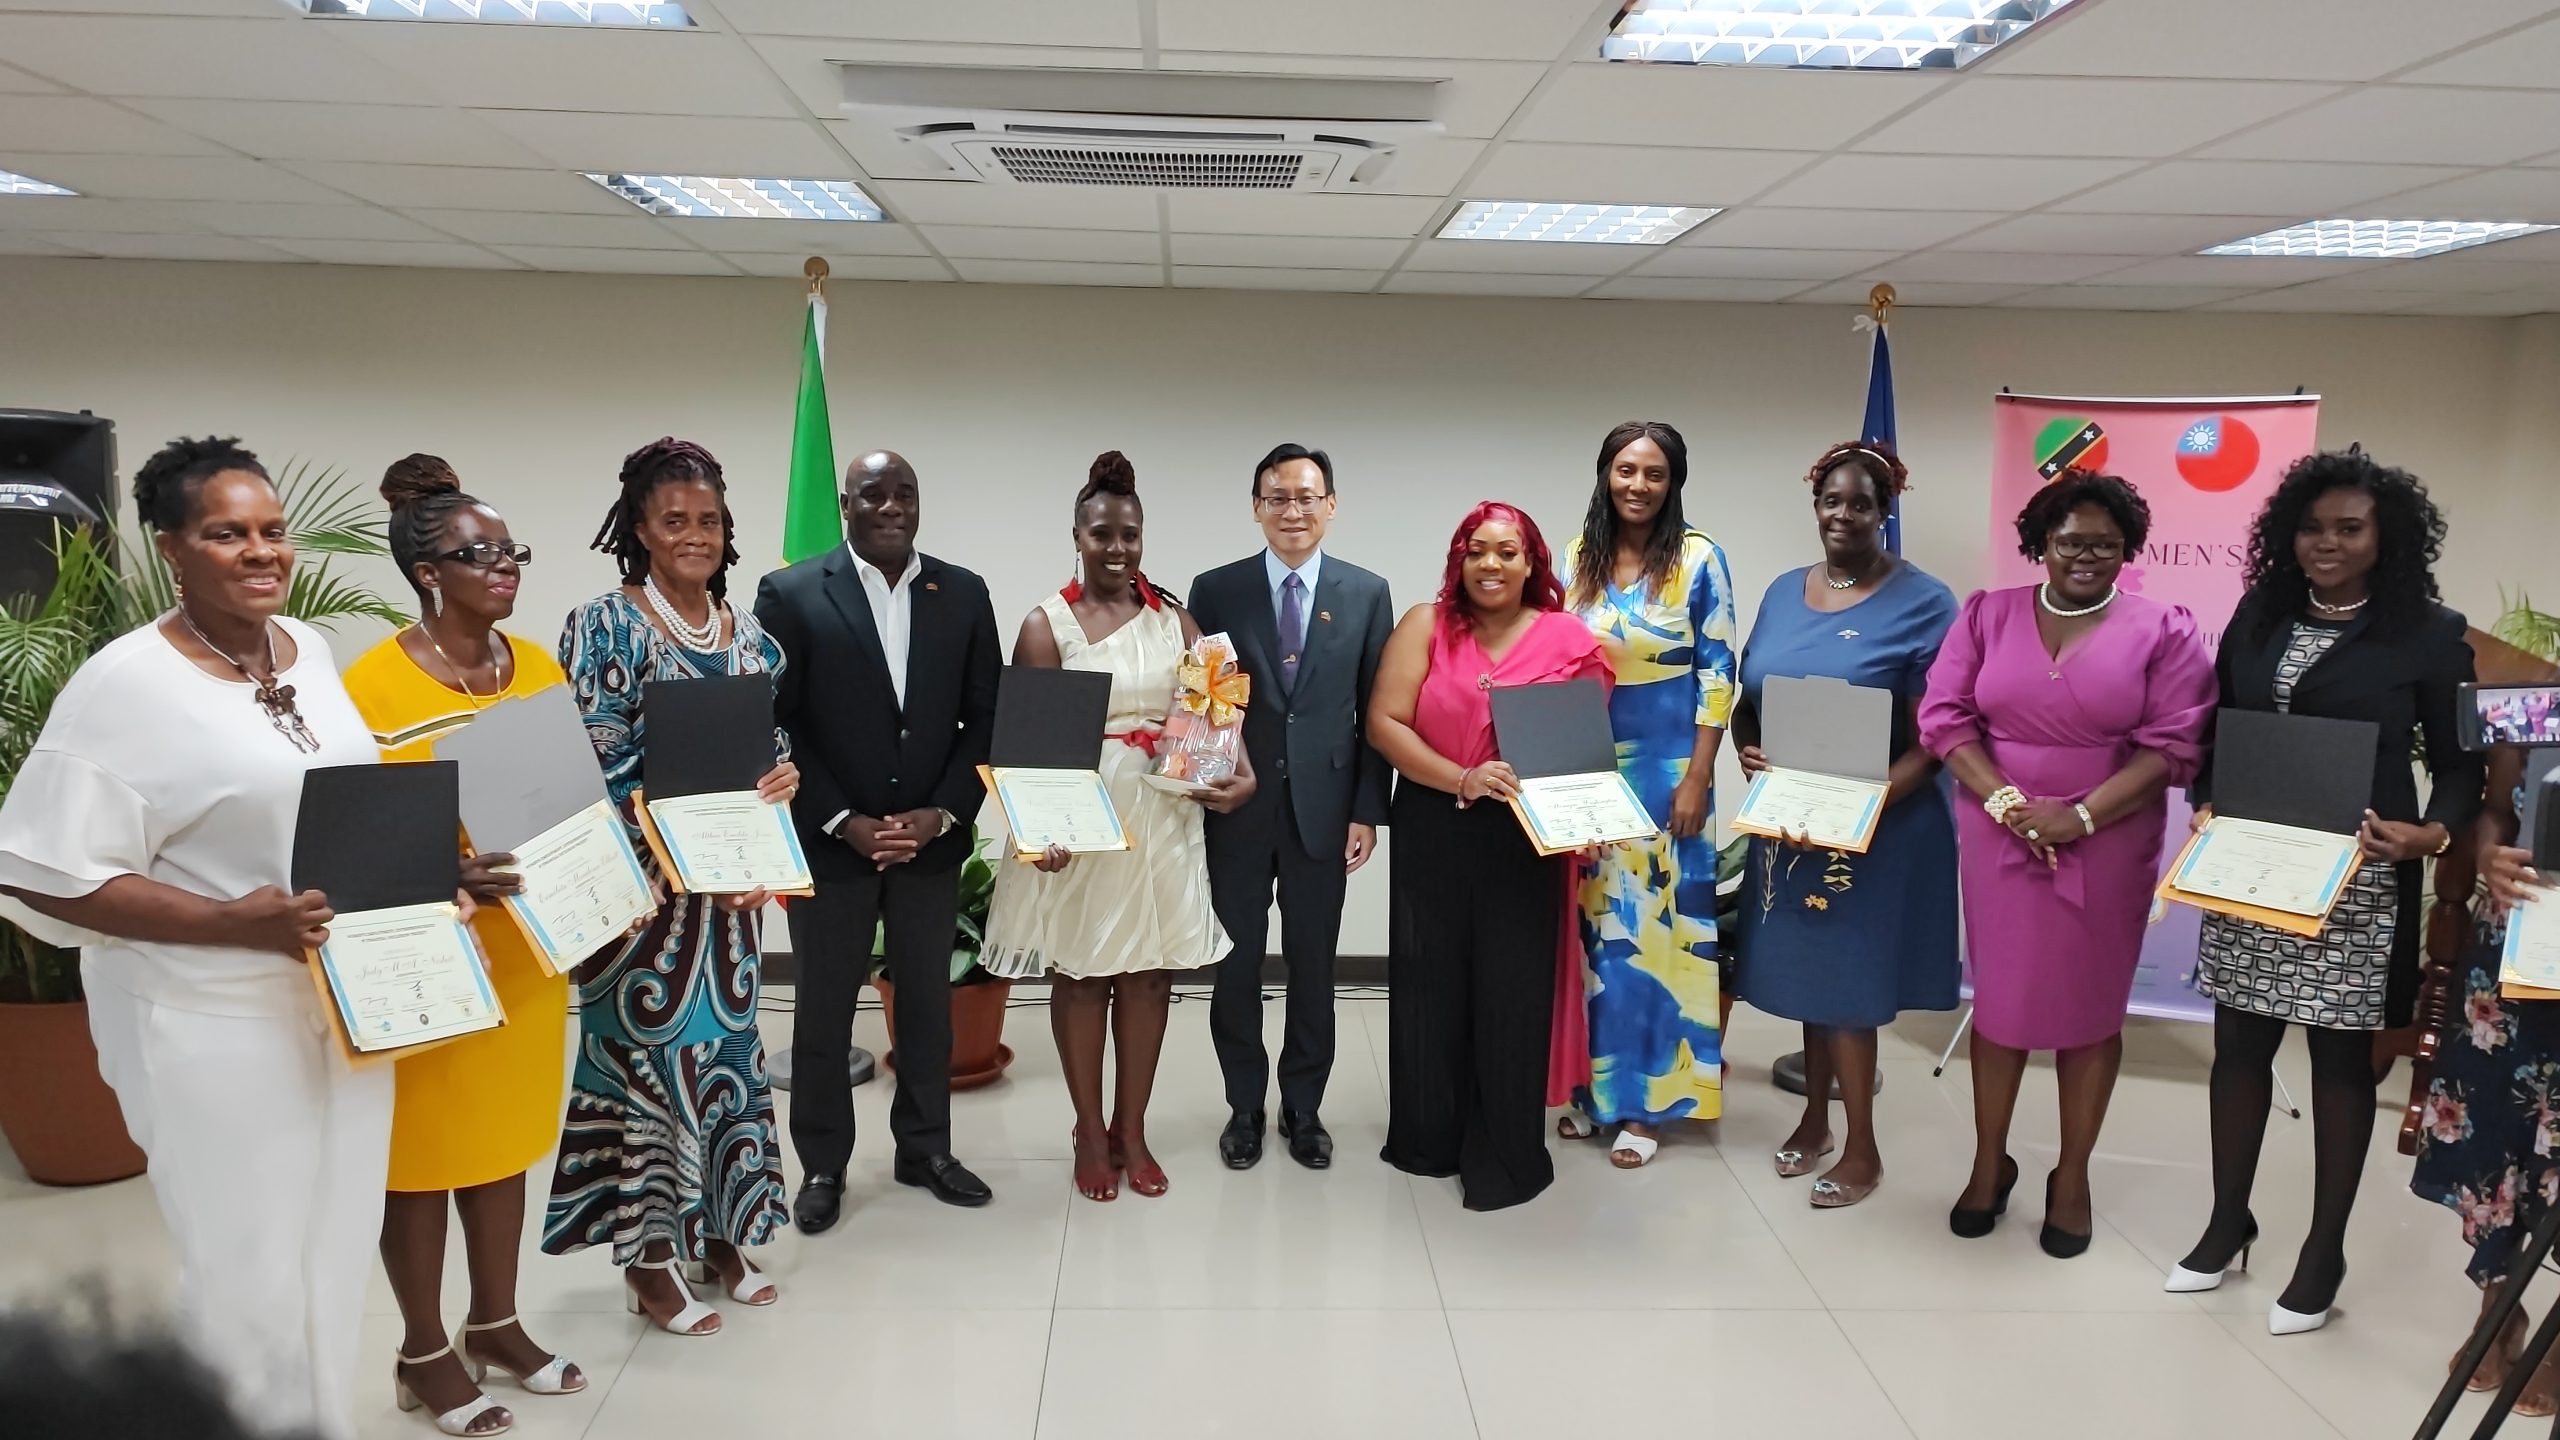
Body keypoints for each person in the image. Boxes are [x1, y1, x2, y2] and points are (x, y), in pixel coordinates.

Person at [0, 437, 390, 1438]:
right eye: (227, 534)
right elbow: (43, 868)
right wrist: (231, 923)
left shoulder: (309, 647)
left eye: (271, 531)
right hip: (207, 1019)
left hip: (344, 1003)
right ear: (171, 548)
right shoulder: (122, 685)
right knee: (245, 1264)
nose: (261, 552)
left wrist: (434, 873)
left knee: (338, 1243)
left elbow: (332, 809)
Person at [2173, 451, 2481, 1335]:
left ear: (2385, 538)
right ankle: (2230, 1221)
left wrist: (2432, 834)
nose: (2327, 543)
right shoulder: (2258, 612)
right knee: (2239, 1046)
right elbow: (2219, 725)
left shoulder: (2428, 631)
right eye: (2312, 528)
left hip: (2359, 879)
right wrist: (2202, 799)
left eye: (2350, 528)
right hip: (2254, 860)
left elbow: (2460, 766)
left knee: (2339, 1064)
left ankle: (2323, 1251)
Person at [343, 456, 584, 1436]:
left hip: (527, 960)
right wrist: (447, 880)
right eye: (477, 553)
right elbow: (354, 847)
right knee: (421, 1161)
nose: (504, 566)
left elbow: (569, 808)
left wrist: (609, 887)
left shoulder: (537, 667)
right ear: (427, 569)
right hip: (431, 961)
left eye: (510, 550)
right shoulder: (370, 688)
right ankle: (422, 1350)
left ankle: (498, 1324)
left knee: (503, 1148)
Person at [1918, 470, 2214, 1256]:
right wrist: (2010, 804)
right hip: (1997, 832)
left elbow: (2175, 746)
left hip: (2109, 837)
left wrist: (2078, 814)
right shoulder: (1987, 615)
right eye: (2072, 541)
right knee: (2002, 1005)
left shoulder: (2165, 629)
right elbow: (1944, 718)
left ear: (2128, 551)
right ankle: (1989, 1162)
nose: (2088, 556)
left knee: (2089, 1015)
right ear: (2041, 543)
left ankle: (2072, 1176)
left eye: (2106, 545)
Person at [545, 437, 799, 1335]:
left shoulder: (754, 639)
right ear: (640, 530)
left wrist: (778, 794)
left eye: (710, 521)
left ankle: (723, 1233)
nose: (695, 535)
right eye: (674, 520)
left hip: (728, 910)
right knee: (652, 1069)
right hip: (644, 907)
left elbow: (767, 755)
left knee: (728, 1060)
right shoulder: (603, 626)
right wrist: (690, 854)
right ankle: (650, 1261)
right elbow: (599, 766)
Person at [980, 451, 1246, 1202]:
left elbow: (1214, 715)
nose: (1118, 547)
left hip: (1161, 813)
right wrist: (1038, 833)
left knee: (1149, 972)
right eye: (1102, 534)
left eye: (1129, 534)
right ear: (1077, 535)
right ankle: (1089, 1131)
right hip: (1081, 819)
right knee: (1083, 970)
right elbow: (1027, 751)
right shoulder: (1045, 624)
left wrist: (1238, 770)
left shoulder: (1177, 619)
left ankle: (1133, 1127)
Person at [754, 450, 1001, 1226]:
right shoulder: (791, 593)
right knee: (824, 1011)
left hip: (930, 839)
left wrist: (943, 812)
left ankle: (924, 1149)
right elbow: (776, 718)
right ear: (845, 503)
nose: (891, 507)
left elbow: (986, 717)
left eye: (905, 494)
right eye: (873, 494)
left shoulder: (962, 593)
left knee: (928, 1004)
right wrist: (841, 820)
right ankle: (822, 1167)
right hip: (833, 841)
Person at [1733, 441, 1962, 1208]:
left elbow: (1941, 730)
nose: (1843, 515)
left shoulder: (1926, 602)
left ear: (1886, 509)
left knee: (1852, 988)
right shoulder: (1781, 591)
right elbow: (1748, 695)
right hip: (1794, 822)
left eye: (1861, 503)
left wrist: (1867, 804)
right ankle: (1814, 1120)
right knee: (1810, 979)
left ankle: (1862, 1149)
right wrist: (1746, 752)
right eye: (1831, 500)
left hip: (1882, 826)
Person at [1368, 501, 1611, 1211]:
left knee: (1512, 989)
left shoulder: (1567, 637)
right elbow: (1385, 723)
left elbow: (1580, 753)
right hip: (1434, 821)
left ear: (1533, 562)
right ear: (1459, 560)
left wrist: (1585, 818)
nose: (1491, 564)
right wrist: (1462, 778)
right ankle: (1428, 1135)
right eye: (1477, 550)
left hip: (1524, 837)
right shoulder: (1425, 624)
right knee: (1431, 981)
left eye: (1508, 551)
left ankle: (1505, 1147)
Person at [1187, 443, 1394, 1171]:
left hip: (1326, 812)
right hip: (1237, 812)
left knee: (1314, 968)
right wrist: (1204, 785)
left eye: (1308, 497)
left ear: (1331, 506)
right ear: (1257, 507)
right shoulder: (1214, 590)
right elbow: (1204, 702)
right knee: (1235, 967)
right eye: (1278, 497)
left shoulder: (1367, 594)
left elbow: (1376, 710)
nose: (1293, 510)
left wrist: (1367, 810)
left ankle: (1303, 1110)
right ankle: (1244, 1106)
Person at [1551, 421, 1736, 1169]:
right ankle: (1596, 1092)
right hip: (1589, 767)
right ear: (1604, 473)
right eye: (1625, 469)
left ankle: (1653, 1104)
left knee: (1657, 938)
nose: (1637, 485)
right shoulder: (1576, 558)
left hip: (1667, 773)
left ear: (1673, 482)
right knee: (1596, 935)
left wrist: (1697, 777)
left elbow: (1719, 673)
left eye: (1654, 473)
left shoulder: (1698, 559)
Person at [2413, 746, 2560, 1412]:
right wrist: (2491, 860)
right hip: (2518, 947)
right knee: (2493, 1130)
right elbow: (2494, 812)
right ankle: (2498, 1310)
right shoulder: (2534, 710)